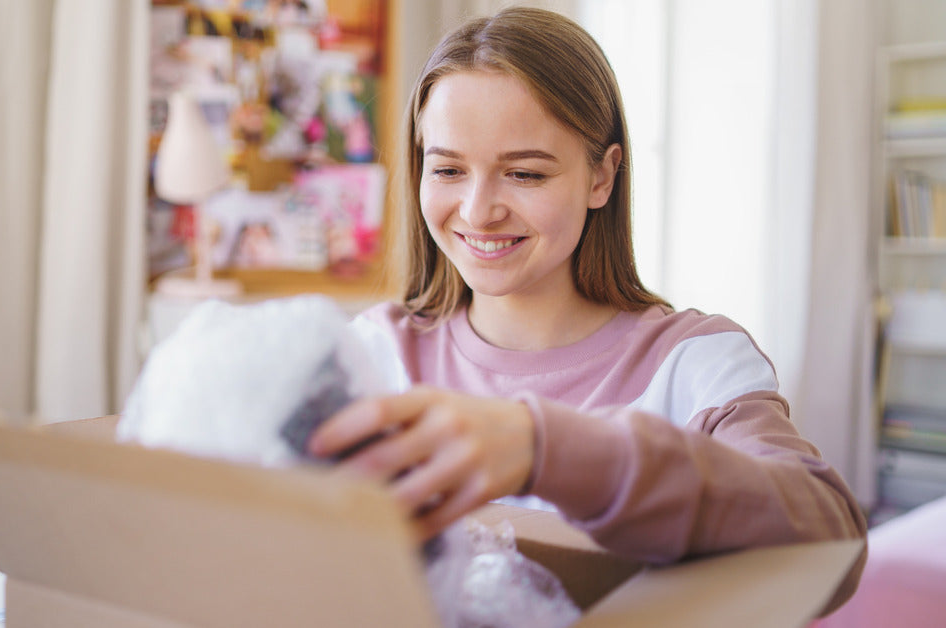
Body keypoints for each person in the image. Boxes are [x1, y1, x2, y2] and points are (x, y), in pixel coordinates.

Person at [306, 5, 866, 608]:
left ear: (602, 176)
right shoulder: (373, 354)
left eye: (524, 174)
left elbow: (831, 539)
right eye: (446, 168)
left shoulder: (696, 364)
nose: (476, 210)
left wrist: (543, 448)